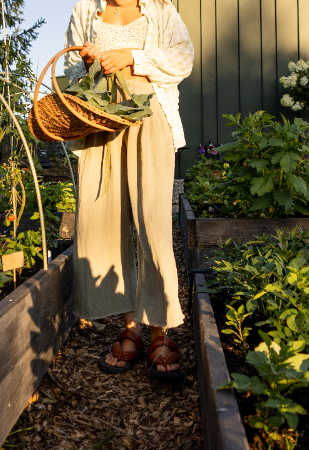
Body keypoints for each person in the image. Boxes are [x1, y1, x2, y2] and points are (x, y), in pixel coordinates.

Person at [63, 0, 193, 380]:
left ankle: (159, 331)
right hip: (100, 122)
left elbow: (182, 60)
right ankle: (131, 327)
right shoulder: (85, 10)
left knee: (152, 225)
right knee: (104, 221)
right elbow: (70, 71)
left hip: (150, 120)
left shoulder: (161, 9)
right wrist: (87, 65)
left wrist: (132, 59)